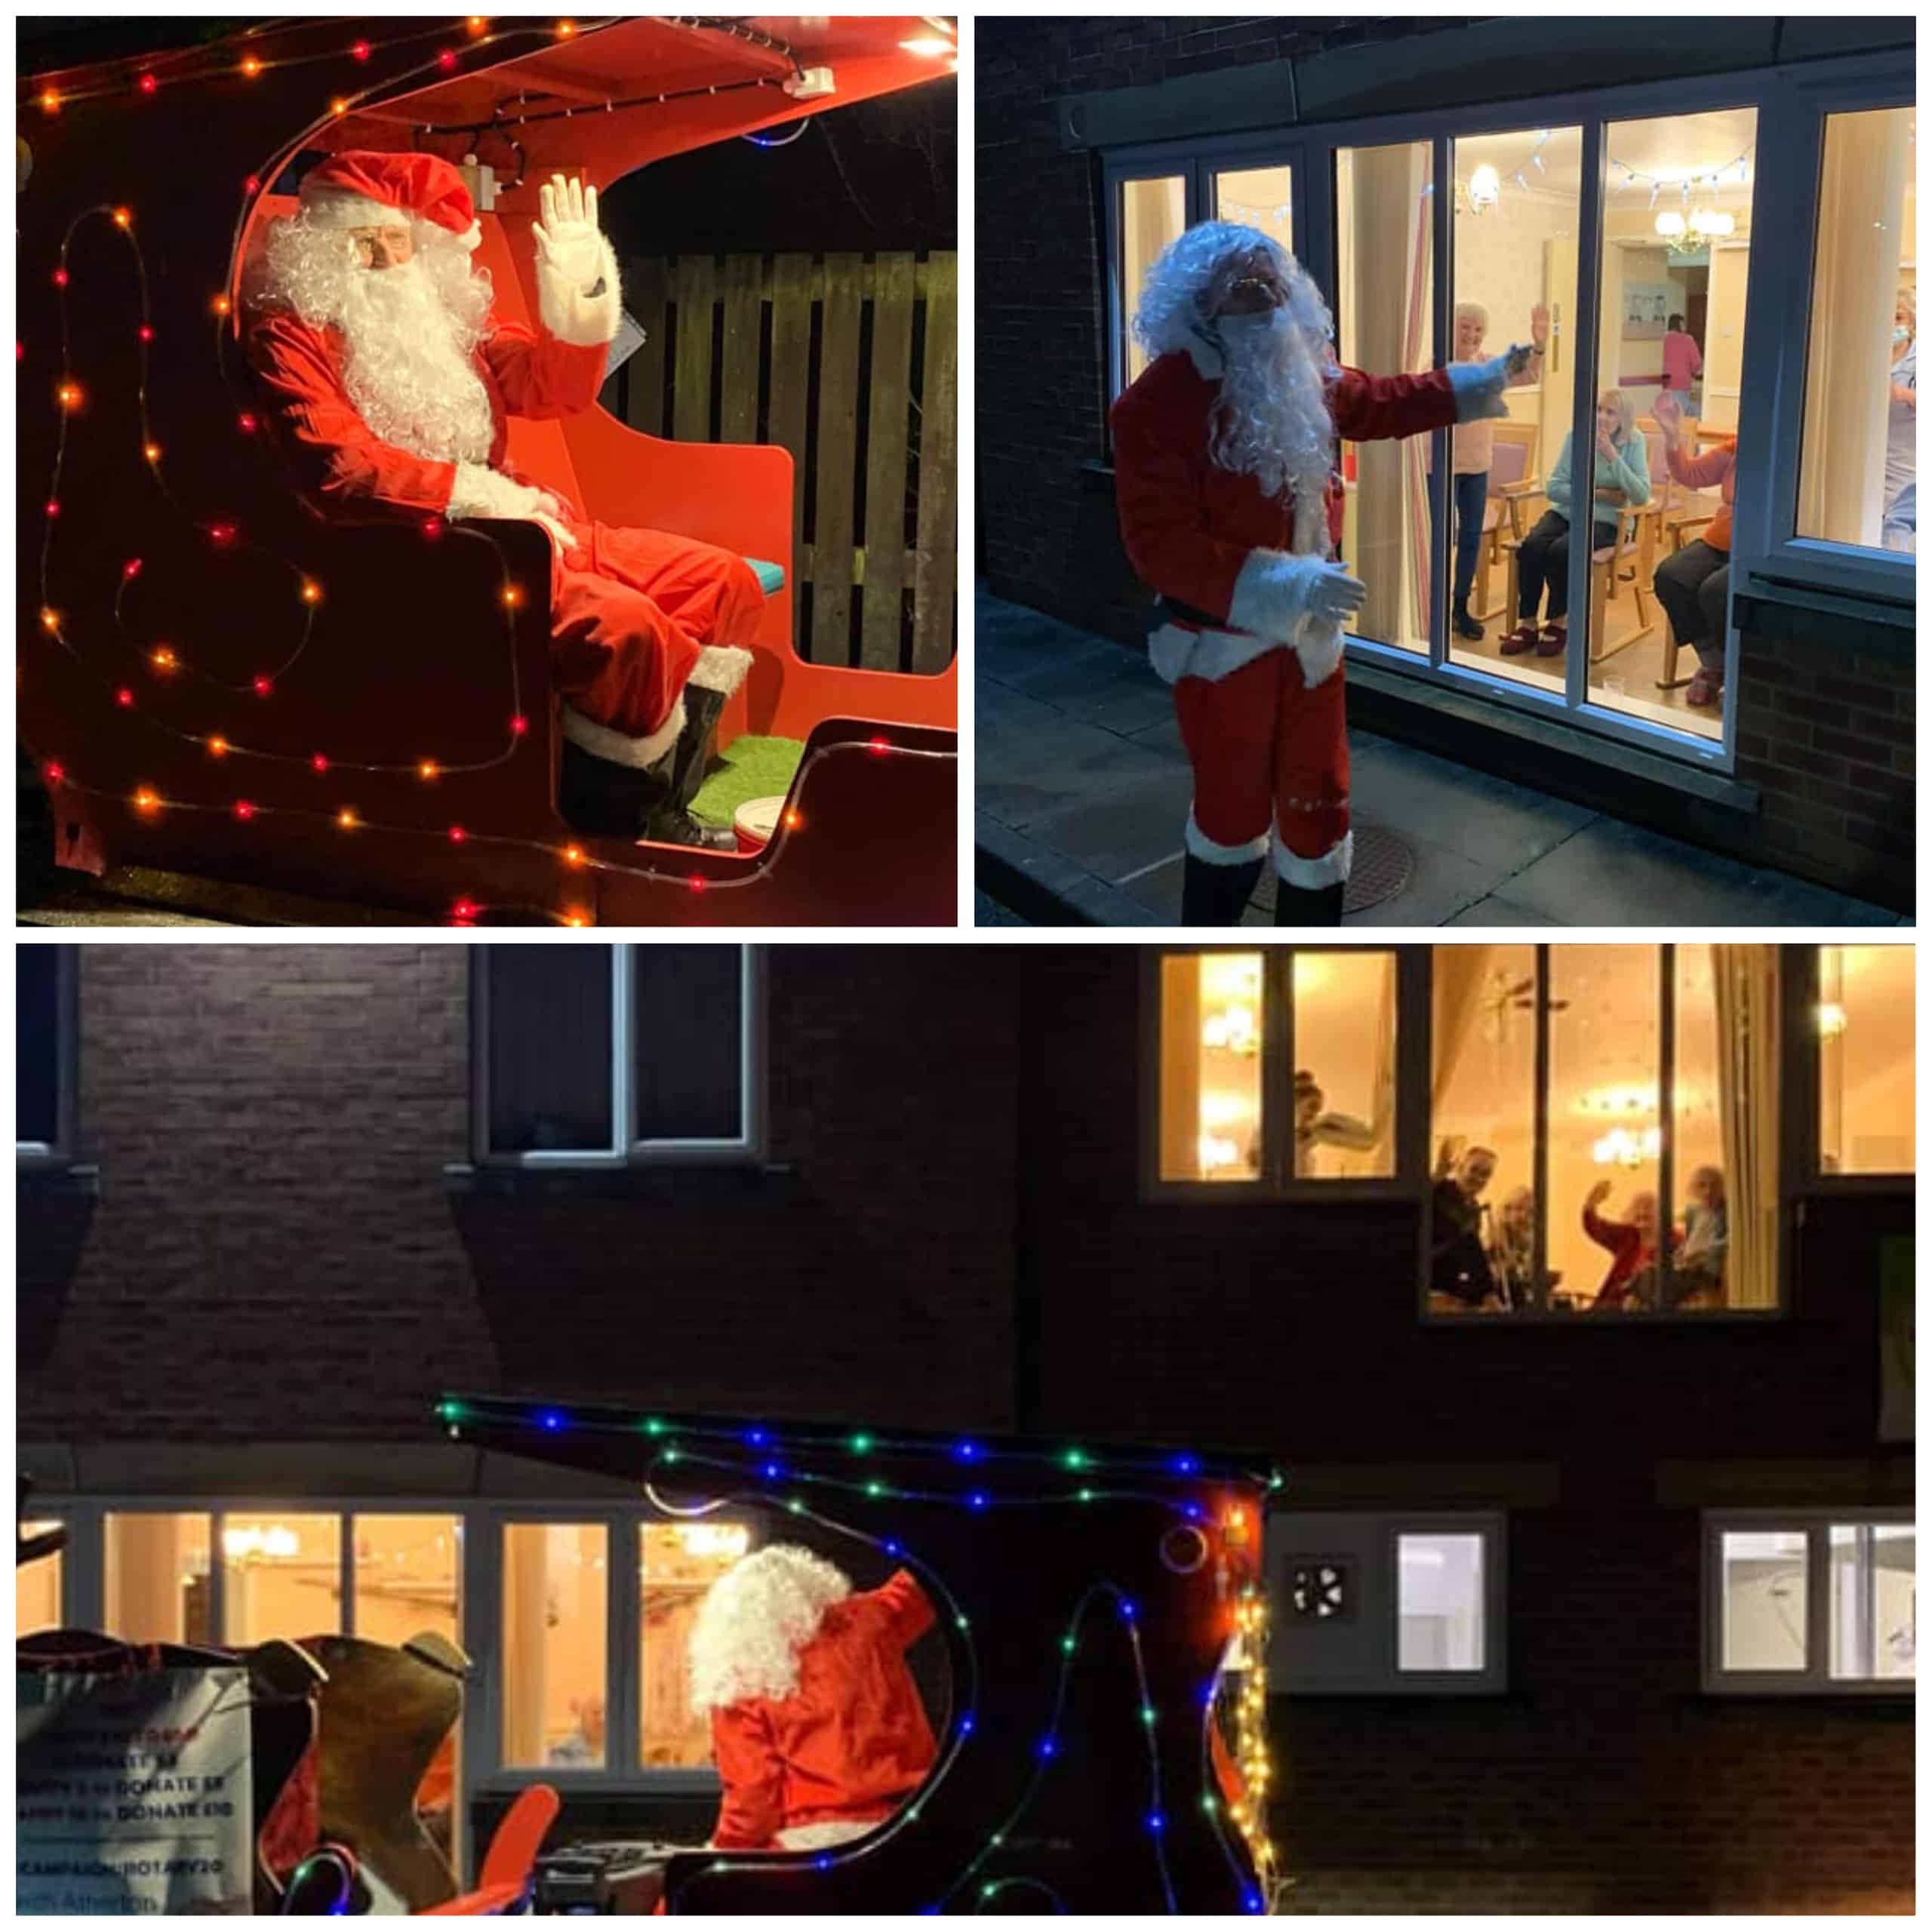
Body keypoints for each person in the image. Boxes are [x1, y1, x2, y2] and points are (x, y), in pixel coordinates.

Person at [245, 151, 761, 850]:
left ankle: (665, 804)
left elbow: (554, 389)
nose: (376, 258)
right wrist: (480, 497)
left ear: (423, 249)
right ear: (321, 246)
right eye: (358, 241)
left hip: (523, 523)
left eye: (393, 241)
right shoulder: (291, 331)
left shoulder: (451, 321)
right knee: (626, 631)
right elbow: (341, 467)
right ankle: (602, 834)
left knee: (722, 580)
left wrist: (581, 299)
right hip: (416, 550)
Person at [1112, 222, 1529, 926]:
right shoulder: (1155, 405)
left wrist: (1478, 383)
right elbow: (1161, 547)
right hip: (1223, 652)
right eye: (1241, 287)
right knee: (1231, 810)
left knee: (1322, 801)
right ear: (1197, 301)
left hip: (1311, 650)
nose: (1262, 299)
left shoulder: (1300, 368)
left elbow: (1383, 401)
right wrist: (1294, 586)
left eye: (1271, 283)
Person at [688, 1546, 938, 1853]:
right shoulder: (871, 1620)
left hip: (813, 1844)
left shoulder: (740, 1676)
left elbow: (752, 1802)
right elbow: (924, 1582)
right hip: (913, 1824)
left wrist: (719, 1852)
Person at [1498, 390, 1648, 660]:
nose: (1601, 416)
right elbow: (1554, 488)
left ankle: (1558, 621)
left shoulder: (1635, 442)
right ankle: (1529, 622)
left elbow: (1640, 494)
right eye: (1599, 409)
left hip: (1608, 521)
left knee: (1562, 550)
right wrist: (1599, 493)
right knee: (1532, 546)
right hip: (1568, 511)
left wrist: (1613, 456)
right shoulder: (1577, 436)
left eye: (1610, 412)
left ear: (1623, 418)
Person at [1447, 301, 1550, 642]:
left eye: (1478, 330)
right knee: (1439, 542)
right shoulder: (1435, 365)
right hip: (1441, 468)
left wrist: (1537, 345)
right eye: (1465, 327)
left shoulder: (1488, 366)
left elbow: (1527, 373)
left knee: (1470, 540)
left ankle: (1460, 607)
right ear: (1451, 328)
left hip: (1477, 468)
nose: (1471, 335)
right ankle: (1432, 605)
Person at [1648, 391, 1737, 710]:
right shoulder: (1735, 449)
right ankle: (1713, 663)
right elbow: (1691, 474)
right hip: (1721, 539)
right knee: (1672, 575)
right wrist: (1672, 436)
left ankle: (1739, 674)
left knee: (1715, 591)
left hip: (1756, 548)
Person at [1582, 1180, 1675, 1311]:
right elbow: (1596, 1228)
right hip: (1615, 1307)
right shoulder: (1627, 1236)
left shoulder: (1673, 1240)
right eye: (1638, 1207)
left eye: (1648, 1207)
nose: (1642, 1212)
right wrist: (1591, 1204)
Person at [1429, 1140, 1499, 1307]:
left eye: (1485, 1174)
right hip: (1430, 1266)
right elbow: (1420, 1199)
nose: (1478, 1178)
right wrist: (1438, 1173)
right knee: (1470, 1241)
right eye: (1474, 1170)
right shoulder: (1441, 1190)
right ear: (1460, 1168)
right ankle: (1491, 1300)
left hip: (1456, 1277)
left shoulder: (1475, 1208)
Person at [1883, 286, 1915, 552]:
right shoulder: (1867, 360)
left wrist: (1905, 394)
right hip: (1870, 469)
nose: (1892, 326)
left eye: (1899, 318)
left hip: (1907, 467)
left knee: (1897, 534)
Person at [1669, 1164, 1728, 1309]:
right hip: (1689, 1266)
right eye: (1702, 1186)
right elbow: (1690, 1240)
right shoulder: (1693, 1211)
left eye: (1714, 1186)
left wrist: (1705, 1251)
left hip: (1709, 1269)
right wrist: (1681, 1253)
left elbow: (1731, 1239)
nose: (1708, 1191)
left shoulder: (1726, 1211)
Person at [1660, 312, 1703, 417]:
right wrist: (1693, 373)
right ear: (1680, 324)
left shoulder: (1664, 340)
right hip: (1682, 381)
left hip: (1667, 382)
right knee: (1682, 413)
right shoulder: (1688, 339)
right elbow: (1697, 362)